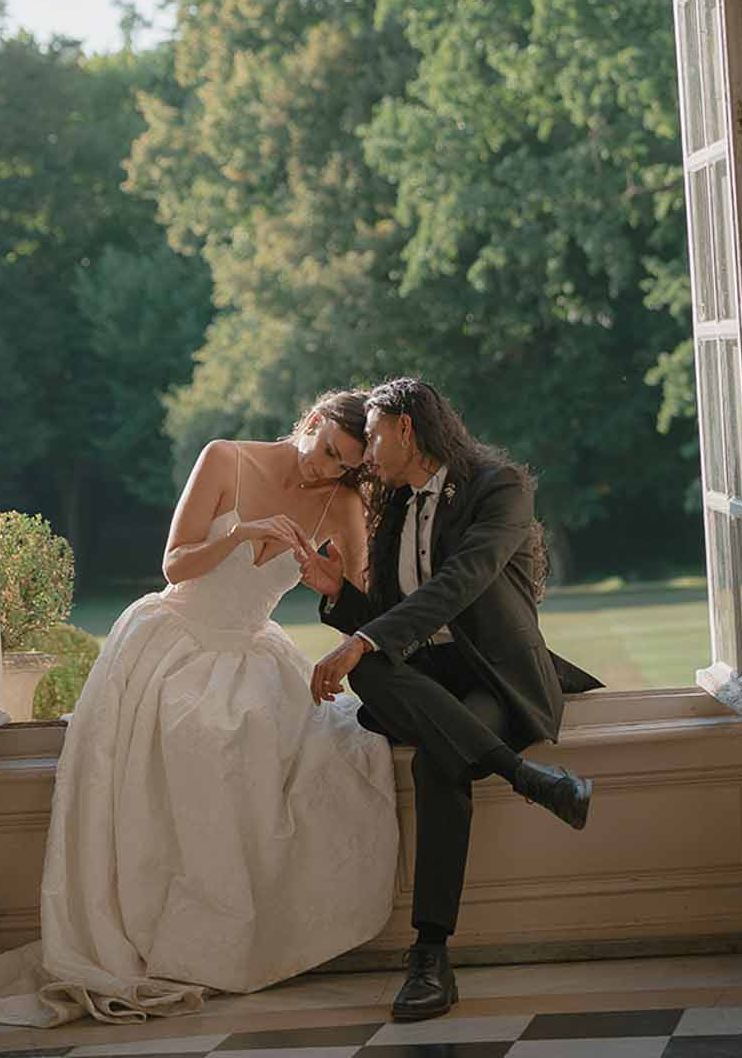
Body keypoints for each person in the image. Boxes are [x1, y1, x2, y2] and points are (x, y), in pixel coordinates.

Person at [0, 392, 399, 1029]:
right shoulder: (225, 460)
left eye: (344, 465)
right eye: (325, 452)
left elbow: (368, 597)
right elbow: (174, 563)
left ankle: (243, 937)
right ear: (312, 423)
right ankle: (164, 935)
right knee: (198, 753)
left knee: (320, 757)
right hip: (173, 643)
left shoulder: (340, 502)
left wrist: (333, 585)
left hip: (254, 653)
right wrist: (242, 533)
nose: (326, 470)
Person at [300, 377, 601, 1025]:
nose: (367, 454)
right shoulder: (393, 504)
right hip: (423, 674)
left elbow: (460, 585)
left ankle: (430, 956)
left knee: (438, 760)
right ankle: (530, 778)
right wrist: (338, 598)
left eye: (374, 438)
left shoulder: (499, 488)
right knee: (370, 672)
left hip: (491, 677)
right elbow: (389, 616)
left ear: (406, 429)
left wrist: (362, 641)